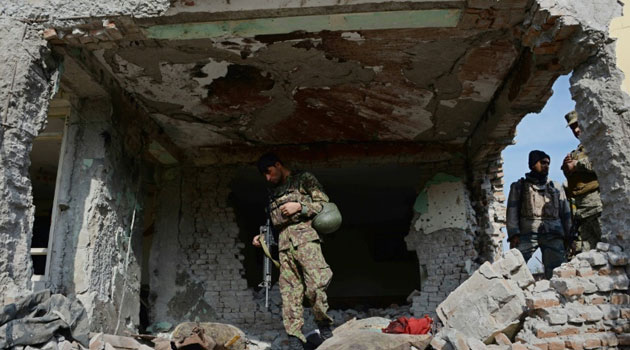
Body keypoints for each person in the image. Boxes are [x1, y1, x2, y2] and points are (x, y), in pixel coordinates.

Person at [252, 153, 334, 350]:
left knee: (315, 286)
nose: (268, 178)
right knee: (289, 294)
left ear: (278, 165)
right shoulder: (272, 193)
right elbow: (272, 223)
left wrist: (300, 206)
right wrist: (262, 238)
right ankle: (295, 339)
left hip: (306, 239)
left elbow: (324, 204)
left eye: (269, 172)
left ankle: (324, 325)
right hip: (283, 246)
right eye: (264, 175)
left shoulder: (303, 179)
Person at [506, 150, 572, 279]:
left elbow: (566, 212)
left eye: (548, 163)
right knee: (514, 268)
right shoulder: (519, 186)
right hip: (527, 234)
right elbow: (512, 211)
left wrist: (570, 236)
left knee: (557, 273)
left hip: (553, 234)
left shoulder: (556, 187)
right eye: (542, 162)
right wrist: (513, 233)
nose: (546, 165)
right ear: (532, 164)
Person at [561, 110, 603, 253]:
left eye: (578, 125)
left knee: (611, 246)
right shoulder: (577, 152)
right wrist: (567, 168)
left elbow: (602, 163)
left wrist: (576, 165)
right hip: (582, 210)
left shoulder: (598, 143)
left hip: (598, 206)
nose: (576, 130)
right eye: (573, 128)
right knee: (592, 253)